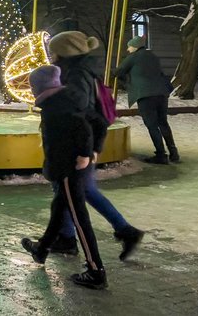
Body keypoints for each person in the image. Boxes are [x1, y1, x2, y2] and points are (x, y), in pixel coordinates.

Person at [47, 31, 144, 260]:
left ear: (65, 53)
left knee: (78, 191)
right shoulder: (80, 72)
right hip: (82, 142)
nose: (50, 55)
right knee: (72, 191)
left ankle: (118, 234)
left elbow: (80, 113)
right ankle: (67, 237)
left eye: (54, 50)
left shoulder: (76, 75)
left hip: (77, 143)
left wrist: (88, 149)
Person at [20, 65, 107, 290]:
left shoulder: (57, 106)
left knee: (79, 217)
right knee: (59, 209)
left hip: (69, 167)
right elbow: (97, 121)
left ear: (40, 86)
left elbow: (83, 128)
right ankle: (42, 249)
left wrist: (85, 154)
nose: (30, 91)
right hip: (66, 166)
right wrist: (94, 149)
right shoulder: (66, 98)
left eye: (32, 86)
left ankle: (95, 270)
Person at [115, 35, 178, 164]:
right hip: (161, 93)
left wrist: (125, 81)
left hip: (145, 95)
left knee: (152, 125)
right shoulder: (153, 57)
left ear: (135, 47)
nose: (128, 49)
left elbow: (118, 71)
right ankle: (174, 153)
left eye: (129, 46)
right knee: (163, 123)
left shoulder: (133, 57)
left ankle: (161, 155)